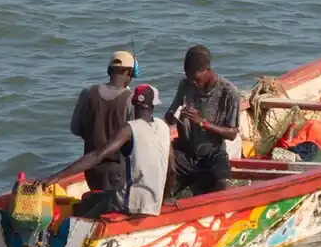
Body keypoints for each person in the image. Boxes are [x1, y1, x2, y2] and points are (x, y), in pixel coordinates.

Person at [42, 85, 171, 218]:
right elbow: (171, 168)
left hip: (129, 204)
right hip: (153, 203)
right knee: (91, 199)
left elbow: (97, 156)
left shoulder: (130, 129)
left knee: (84, 214)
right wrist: (164, 199)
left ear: (133, 103)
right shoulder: (164, 128)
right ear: (154, 104)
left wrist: (56, 177)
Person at [165, 45, 240, 196]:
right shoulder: (185, 85)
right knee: (162, 173)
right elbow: (170, 115)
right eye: (189, 78)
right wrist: (173, 115)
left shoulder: (228, 92)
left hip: (213, 152)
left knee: (223, 185)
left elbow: (232, 133)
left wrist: (202, 122)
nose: (193, 82)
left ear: (207, 69)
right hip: (187, 151)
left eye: (196, 78)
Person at [69, 51, 135, 191]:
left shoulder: (88, 93)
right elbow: (137, 141)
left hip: (90, 171)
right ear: (130, 73)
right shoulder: (131, 99)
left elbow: (75, 129)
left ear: (108, 71)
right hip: (118, 172)